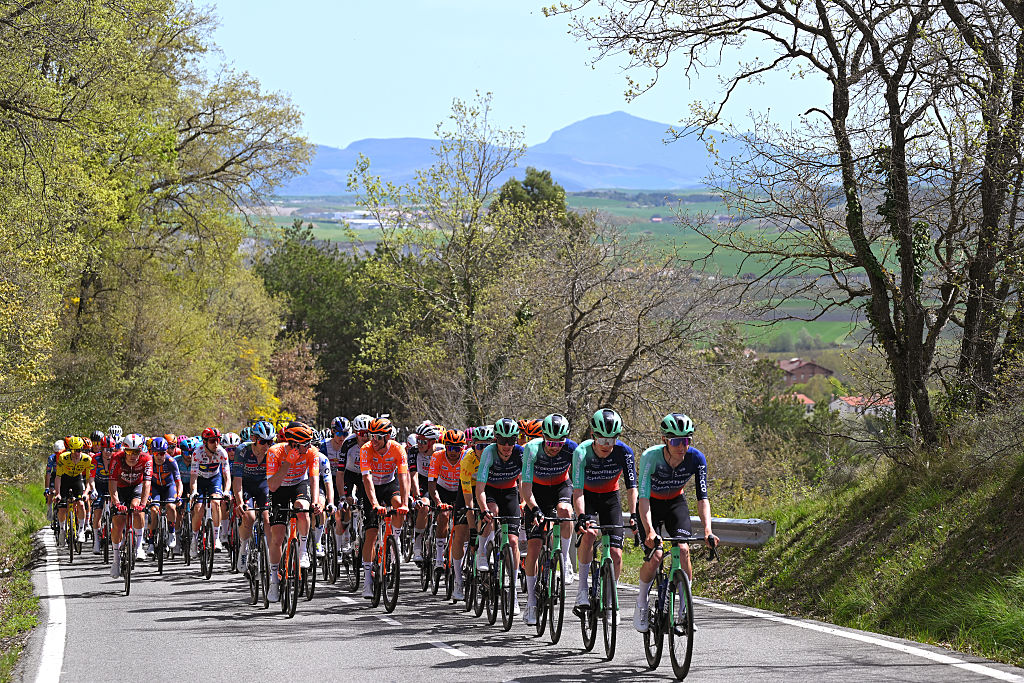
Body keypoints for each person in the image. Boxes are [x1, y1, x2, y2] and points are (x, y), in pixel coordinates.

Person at [633, 413, 718, 633]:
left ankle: (683, 611)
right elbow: (642, 498)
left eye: (687, 440)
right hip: (650, 504)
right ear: (665, 440)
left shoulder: (696, 458)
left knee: (683, 549)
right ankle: (641, 602)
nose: (682, 447)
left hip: (675, 503)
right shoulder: (650, 457)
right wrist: (650, 531)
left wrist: (708, 529)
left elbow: (702, 498)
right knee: (657, 555)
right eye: (676, 441)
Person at [571, 408, 638, 614]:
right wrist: (581, 516)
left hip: (610, 498)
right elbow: (578, 491)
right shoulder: (581, 452)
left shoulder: (624, 452)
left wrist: (634, 514)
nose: (607, 446)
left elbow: (632, 487)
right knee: (589, 534)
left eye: (612, 440)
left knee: (617, 553)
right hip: (587, 498)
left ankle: (611, 600)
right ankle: (582, 590)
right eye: (603, 440)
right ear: (593, 436)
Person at [520, 413, 578, 625]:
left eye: (559, 442)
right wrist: (534, 509)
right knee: (534, 548)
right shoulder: (532, 449)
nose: (555, 447)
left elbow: (581, 481)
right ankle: (531, 603)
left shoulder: (572, 448)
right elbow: (525, 487)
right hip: (537, 492)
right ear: (543, 437)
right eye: (551, 442)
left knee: (565, 510)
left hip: (561, 487)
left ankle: (564, 559)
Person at [266, 422, 321, 602]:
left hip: (299, 484)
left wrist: (314, 501)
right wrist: (288, 462)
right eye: (306, 443)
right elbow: (273, 486)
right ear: (295, 444)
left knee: (302, 509)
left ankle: (303, 551)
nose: (310, 446)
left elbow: (313, 478)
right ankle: (274, 581)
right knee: (277, 537)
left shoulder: (312, 453)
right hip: (279, 488)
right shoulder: (275, 452)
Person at [474, 417, 525, 615]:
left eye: (511, 441)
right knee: (492, 512)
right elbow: (479, 488)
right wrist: (484, 509)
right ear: (495, 439)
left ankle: (512, 594)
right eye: (502, 441)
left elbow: (524, 480)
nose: (506, 446)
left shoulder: (520, 453)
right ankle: (482, 552)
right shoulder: (489, 452)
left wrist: (524, 502)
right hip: (491, 491)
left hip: (511, 492)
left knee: (513, 541)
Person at [358, 416, 409, 598]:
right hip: (371, 489)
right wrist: (374, 504)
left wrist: (405, 503)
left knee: (398, 506)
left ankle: (394, 540)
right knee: (371, 534)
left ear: (388, 437)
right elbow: (367, 479)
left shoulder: (398, 449)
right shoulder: (366, 450)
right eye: (372, 436)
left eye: (378, 437)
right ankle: (367, 580)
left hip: (389, 484)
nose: (374, 440)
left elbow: (404, 477)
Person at [231, 420, 275, 569]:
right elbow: (237, 480)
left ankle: (270, 555)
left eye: (270, 442)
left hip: (264, 485)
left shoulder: (273, 451)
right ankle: (243, 547)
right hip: (246, 485)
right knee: (249, 516)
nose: (267, 446)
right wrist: (239, 502)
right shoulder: (242, 451)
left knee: (268, 517)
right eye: (263, 442)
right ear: (254, 440)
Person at [109, 434, 153, 575]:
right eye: (129, 452)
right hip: (120, 489)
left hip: (136, 487)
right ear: (124, 451)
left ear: (141, 451)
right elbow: (112, 483)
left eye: (136, 452)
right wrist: (116, 503)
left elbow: (147, 483)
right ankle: (116, 560)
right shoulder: (117, 458)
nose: (133, 456)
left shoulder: (147, 459)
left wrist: (144, 504)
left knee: (138, 509)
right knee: (118, 522)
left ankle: (139, 547)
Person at [428, 429, 468, 581]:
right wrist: (438, 502)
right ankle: (439, 558)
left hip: (459, 490)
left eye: (457, 448)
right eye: (450, 448)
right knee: (444, 516)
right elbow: (431, 483)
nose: (453, 452)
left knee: (466, 521)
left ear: (462, 448)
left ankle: (462, 561)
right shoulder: (437, 456)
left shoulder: (466, 457)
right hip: (442, 489)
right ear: (445, 446)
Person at [189, 427, 231, 552]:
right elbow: (193, 477)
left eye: (218, 440)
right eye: (212, 441)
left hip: (214, 478)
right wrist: (194, 491)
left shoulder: (222, 453)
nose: (216, 444)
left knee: (216, 502)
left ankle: (216, 538)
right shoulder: (197, 453)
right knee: (198, 508)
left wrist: (226, 491)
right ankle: (194, 539)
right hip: (200, 480)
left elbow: (227, 476)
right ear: (205, 442)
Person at [412, 421, 443, 562]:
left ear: (432, 442)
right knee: (424, 506)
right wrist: (417, 496)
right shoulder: (413, 451)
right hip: (423, 482)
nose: (419, 444)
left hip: (440, 483)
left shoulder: (441, 450)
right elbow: (412, 474)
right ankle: (417, 544)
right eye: (418, 440)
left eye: (423, 441)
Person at [54, 436, 94, 544]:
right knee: (62, 507)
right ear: (69, 450)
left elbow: (89, 479)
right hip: (65, 480)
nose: (77, 453)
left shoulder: (87, 459)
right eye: (74, 451)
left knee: (81, 503)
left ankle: (81, 530)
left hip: (77, 479)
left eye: (79, 450)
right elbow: (58, 477)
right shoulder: (63, 457)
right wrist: (57, 494)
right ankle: (62, 530)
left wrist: (86, 493)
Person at [146, 437, 182, 555]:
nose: (159, 456)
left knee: (171, 507)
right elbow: (144, 482)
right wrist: (146, 497)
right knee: (153, 510)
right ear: (152, 453)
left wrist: (179, 496)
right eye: (156, 453)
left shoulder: (171, 461)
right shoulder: (149, 462)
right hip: (155, 488)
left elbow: (178, 482)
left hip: (169, 487)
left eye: (162, 453)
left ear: (166, 452)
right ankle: (151, 543)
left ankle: (171, 533)